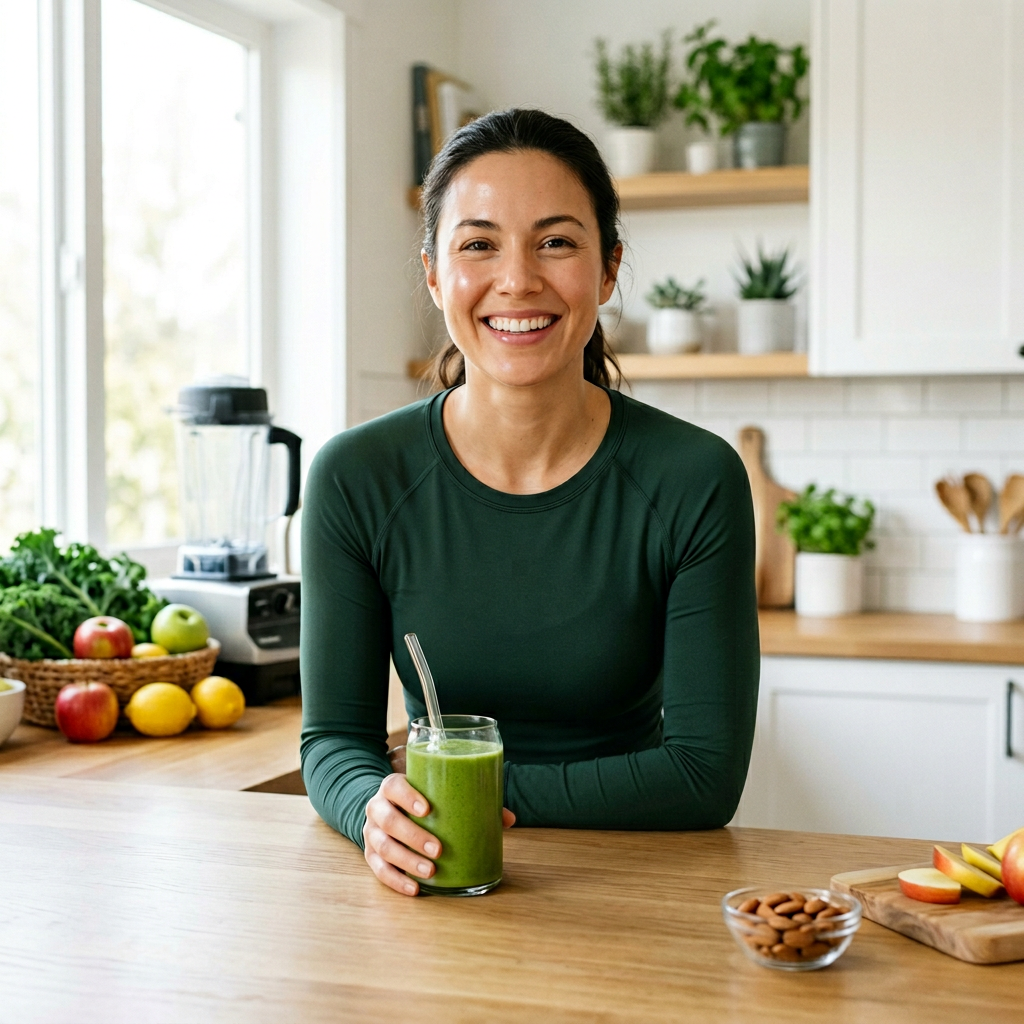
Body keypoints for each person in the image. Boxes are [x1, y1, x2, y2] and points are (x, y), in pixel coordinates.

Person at [300, 108, 759, 896]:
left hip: (635, 888)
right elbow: (334, 743)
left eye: (556, 241)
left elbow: (703, 776)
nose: (517, 279)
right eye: (479, 244)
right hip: (437, 885)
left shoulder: (695, 478)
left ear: (609, 268)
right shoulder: (355, 476)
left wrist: (468, 795)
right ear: (435, 274)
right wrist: (372, 808)